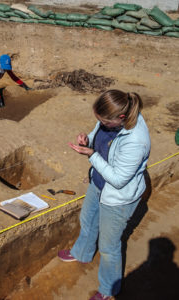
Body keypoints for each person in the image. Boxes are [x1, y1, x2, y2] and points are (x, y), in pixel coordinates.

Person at [58, 90, 151, 300]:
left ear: (120, 118)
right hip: (99, 182)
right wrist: (87, 140)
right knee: (88, 220)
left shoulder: (136, 140)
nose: (99, 123)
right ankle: (82, 253)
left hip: (118, 197)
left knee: (109, 247)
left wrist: (91, 155)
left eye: (103, 120)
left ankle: (109, 289)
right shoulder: (110, 119)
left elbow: (118, 179)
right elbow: (97, 134)